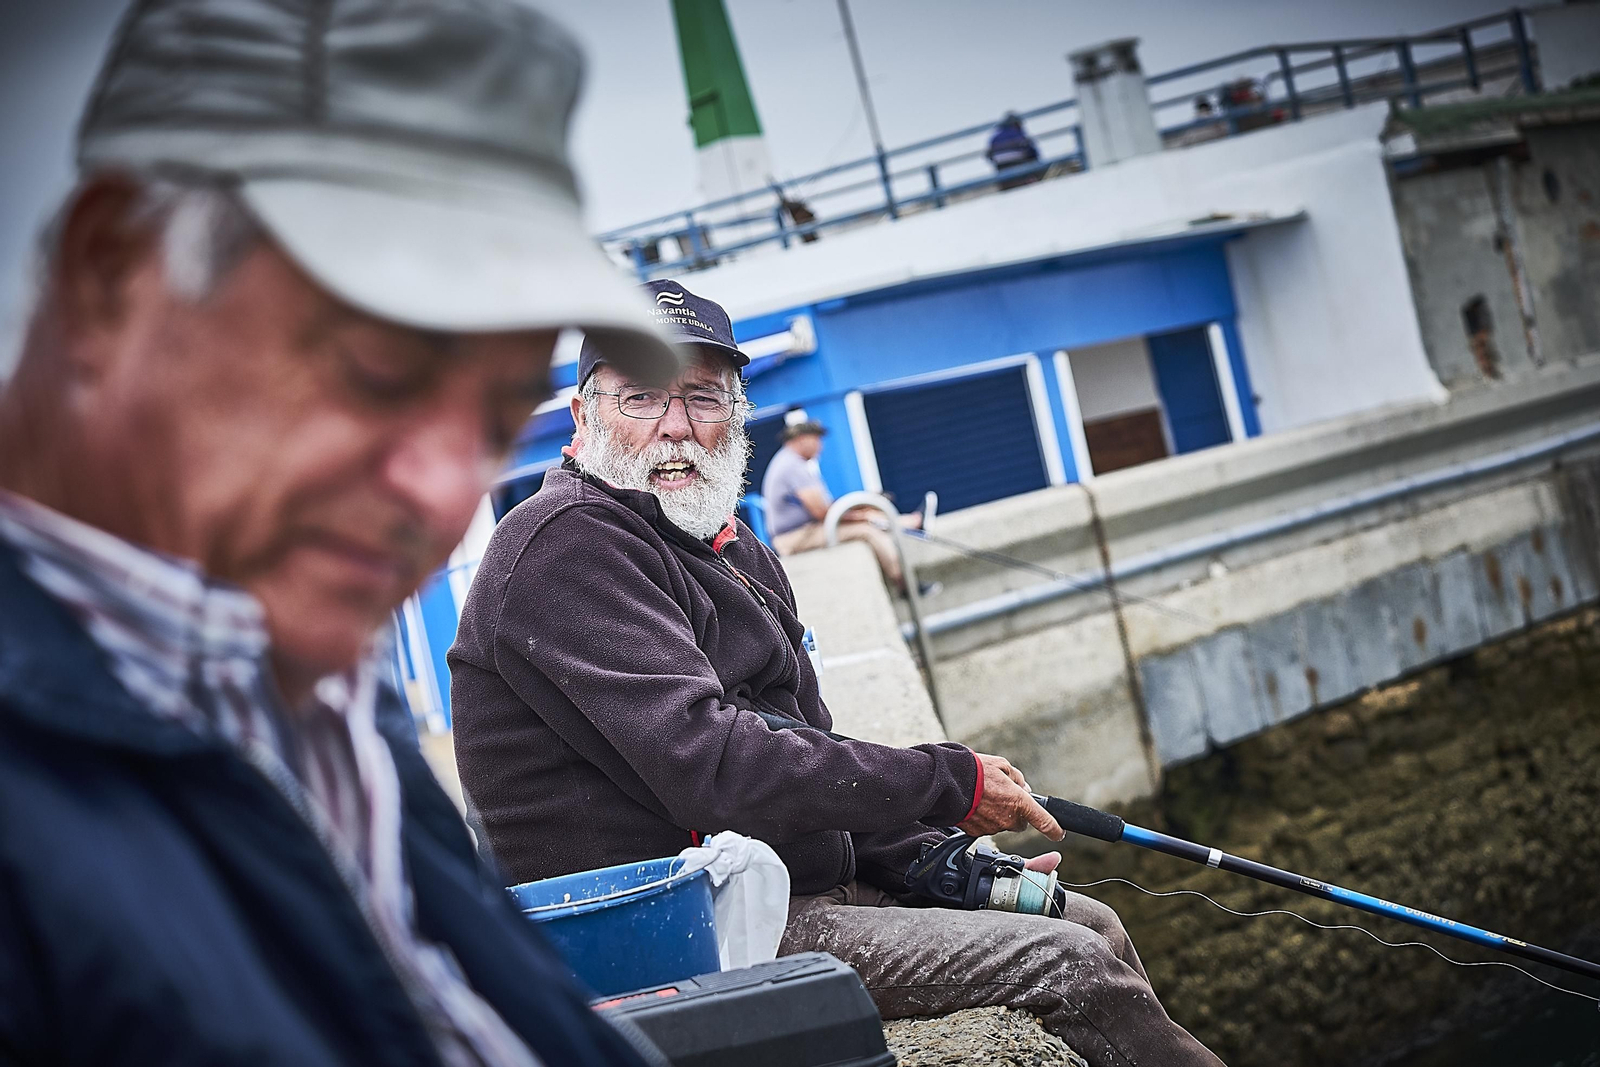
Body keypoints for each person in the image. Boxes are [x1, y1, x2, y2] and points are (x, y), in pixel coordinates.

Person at [0, 1, 680, 1064]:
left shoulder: (308, 699)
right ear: (108, 269)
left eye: (496, 422)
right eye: (378, 371)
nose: (443, 493)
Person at [449, 280, 1224, 1067]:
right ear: (582, 416)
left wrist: (933, 857)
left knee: (1088, 922)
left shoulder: (733, 550)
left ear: (735, 415)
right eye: (642, 397)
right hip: (676, 934)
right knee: (1067, 963)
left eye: (703, 397)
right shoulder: (563, 545)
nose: (675, 425)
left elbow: (805, 748)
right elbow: (716, 766)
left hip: (786, 884)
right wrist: (947, 781)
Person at [761, 419, 920, 592]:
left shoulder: (787, 461)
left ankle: (909, 523)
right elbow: (821, 512)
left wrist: (861, 509)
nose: (820, 446)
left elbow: (825, 507)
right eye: (817, 439)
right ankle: (906, 585)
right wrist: (860, 516)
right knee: (867, 530)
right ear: (802, 439)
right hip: (795, 537)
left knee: (868, 515)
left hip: (803, 531)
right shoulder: (792, 466)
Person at [986, 112, 1043, 190]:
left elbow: (989, 155)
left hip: (1002, 170)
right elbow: (1032, 152)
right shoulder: (1019, 134)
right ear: (1016, 124)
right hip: (1021, 167)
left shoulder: (994, 138)